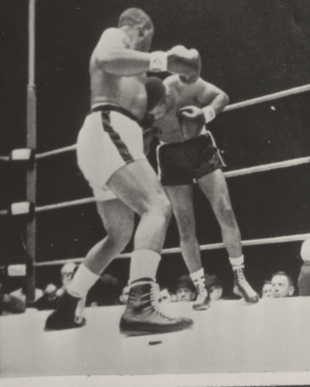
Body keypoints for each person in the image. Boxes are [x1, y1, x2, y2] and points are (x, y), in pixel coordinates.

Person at [45, 8, 199, 335]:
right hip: (107, 128)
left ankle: (68, 305)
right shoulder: (117, 36)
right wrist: (163, 59)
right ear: (143, 29)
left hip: (109, 138)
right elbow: (106, 58)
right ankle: (140, 305)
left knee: (119, 235)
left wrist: (175, 86)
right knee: (157, 206)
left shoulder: (135, 72)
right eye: (149, 41)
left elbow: (154, 96)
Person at [149, 74, 260, 309]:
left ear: (167, 96)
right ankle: (200, 289)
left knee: (225, 210)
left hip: (200, 147)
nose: (156, 115)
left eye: (159, 109)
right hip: (169, 155)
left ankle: (240, 280)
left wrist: (205, 113)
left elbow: (222, 96)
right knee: (185, 224)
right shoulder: (141, 106)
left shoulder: (183, 85)